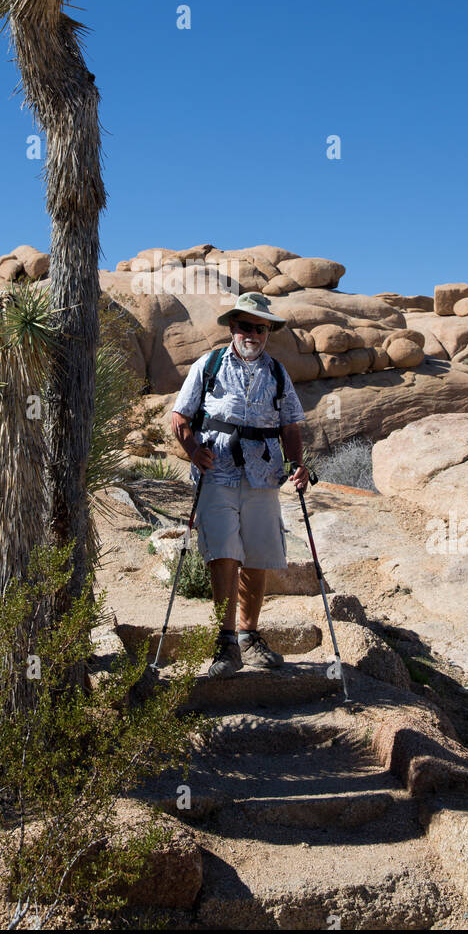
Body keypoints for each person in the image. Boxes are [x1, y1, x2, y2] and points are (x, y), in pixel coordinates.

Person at [171, 291, 310, 678]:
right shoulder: (209, 364)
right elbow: (180, 417)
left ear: (268, 331)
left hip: (262, 475)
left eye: (260, 328)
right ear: (233, 326)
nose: (253, 333)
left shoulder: (278, 372)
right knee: (224, 552)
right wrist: (193, 451)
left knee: (259, 553)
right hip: (218, 472)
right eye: (246, 326)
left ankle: (249, 637)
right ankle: (225, 641)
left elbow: (290, 426)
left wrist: (298, 465)